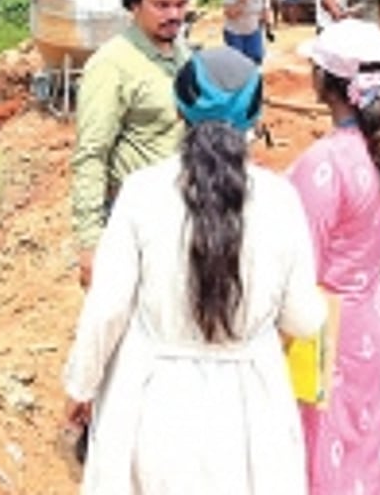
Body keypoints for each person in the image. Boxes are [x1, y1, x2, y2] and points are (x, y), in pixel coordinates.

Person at [63, 47, 327, 495]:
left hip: (155, 398)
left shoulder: (142, 193)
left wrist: (81, 385)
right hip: (251, 406)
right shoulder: (280, 200)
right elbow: (303, 319)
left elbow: (107, 309)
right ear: (255, 114)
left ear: (179, 106)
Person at [288, 19, 380, 495]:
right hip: (370, 318)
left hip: (323, 326)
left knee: (321, 434)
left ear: (323, 81)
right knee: (365, 433)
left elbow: (300, 264)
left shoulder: (325, 163)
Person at [71, 0, 194, 289]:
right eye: (162, 5)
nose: (174, 14)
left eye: (181, 4)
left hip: (184, 213)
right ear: (134, 4)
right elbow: (91, 155)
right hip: (134, 221)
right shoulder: (111, 65)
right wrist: (90, 243)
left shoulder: (182, 52)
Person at [222, 0, 272, 64]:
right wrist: (241, 2)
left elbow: (265, 11)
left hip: (252, 31)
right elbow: (229, 13)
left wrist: (268, 28)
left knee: (256, 58)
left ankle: (252, 80)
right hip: (234, 33)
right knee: (238, 62)